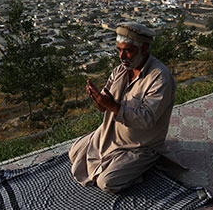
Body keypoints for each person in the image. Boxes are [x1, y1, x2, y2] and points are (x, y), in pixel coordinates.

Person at [69, 22, 178, 193]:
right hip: (109, 133)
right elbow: (104, 108)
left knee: (107, 182)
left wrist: (112, 105)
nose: (122, 56)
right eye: (119, 50)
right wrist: (98, 100)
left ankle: (149, 161)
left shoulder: (159, 78)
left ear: (143, 49)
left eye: (127, 50)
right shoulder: (120, 71)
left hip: (139, 145)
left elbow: (146, 119)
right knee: (74, 153)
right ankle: (113, 159)